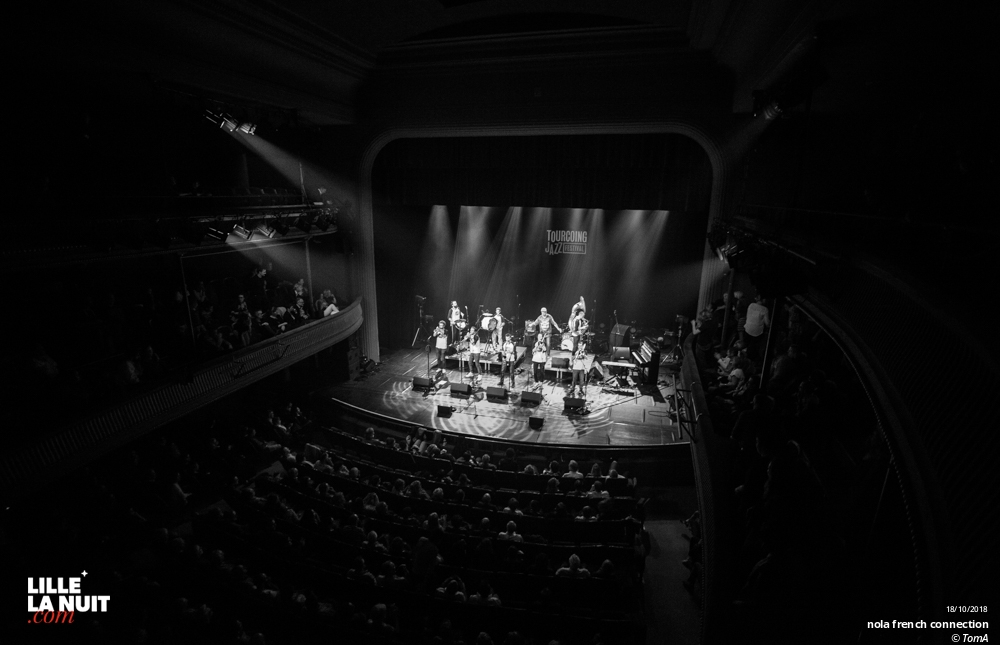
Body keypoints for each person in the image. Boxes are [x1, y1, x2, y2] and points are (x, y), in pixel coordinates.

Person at [744, 294, 770, 360]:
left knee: (747, 345)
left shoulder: (751, 305)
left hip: (747, 328)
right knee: (754, 348)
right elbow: (767, 323)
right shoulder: (764, 309)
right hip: (757, 332)